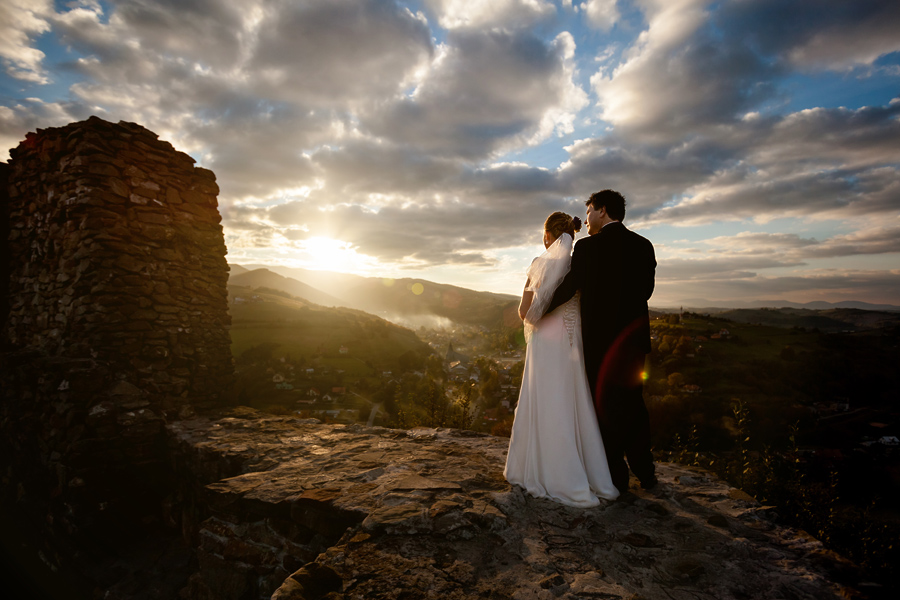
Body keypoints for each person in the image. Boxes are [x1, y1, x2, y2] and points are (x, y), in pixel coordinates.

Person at [503, 212, 619, 507]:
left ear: (547, 236)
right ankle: (585, 472)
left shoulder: (539, 264)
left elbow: (524, 312)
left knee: (546, 398)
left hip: (545, 340)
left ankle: (547, 471)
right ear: (572, 234)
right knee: (572, 399)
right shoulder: (579, 264)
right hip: (572, 340)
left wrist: (536, 315)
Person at [545, 190, 657, 494]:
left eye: (591, 211)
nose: (589, 219)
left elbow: (569, 287)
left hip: (600, 343)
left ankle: (615, 480)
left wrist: (539, 310)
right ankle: (646, 473)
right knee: (633, 405)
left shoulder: (587, 247)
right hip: (633, 342)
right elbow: (646, 291)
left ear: (603, 211)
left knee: (604, 407)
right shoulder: (643, 245)